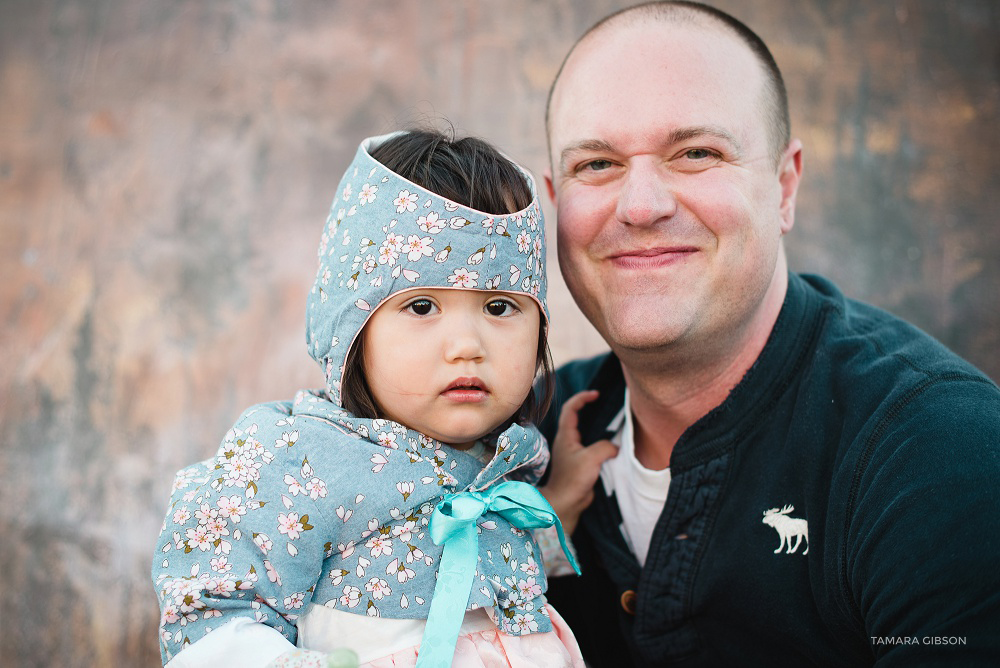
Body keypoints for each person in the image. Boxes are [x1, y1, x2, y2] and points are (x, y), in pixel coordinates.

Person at [536, 2, 1000, 666]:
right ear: (556, 202)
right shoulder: (510, 443)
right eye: (597, 166)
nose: (639, 206)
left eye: (696, 152)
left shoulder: (941, 455)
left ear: (784, 185)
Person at [152, 129, 589, 668]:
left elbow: (468, 580)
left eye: (500, 307)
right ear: (350, 327)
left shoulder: (505, 464)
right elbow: (211, 627)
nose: (467, 347)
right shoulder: (296, 460)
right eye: (423, 306)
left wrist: (558, 508)